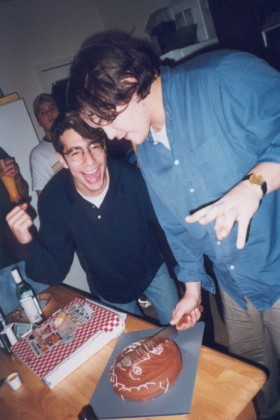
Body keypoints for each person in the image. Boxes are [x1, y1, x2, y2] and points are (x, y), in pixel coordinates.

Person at [65, 32, 280, 418]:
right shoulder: (144, 146)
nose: (110, 135)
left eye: (108, 120)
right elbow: (175, 225)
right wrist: (193, 290)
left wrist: (255, 183)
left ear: (131, 83)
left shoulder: (223, 77)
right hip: (234, 289)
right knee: (256, 384)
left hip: (277, 266)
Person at [6, 112, 179, 326]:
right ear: (63, 159)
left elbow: (167, 227)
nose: (90, 162)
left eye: (94, 146)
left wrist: (186, 274)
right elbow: (53, 272)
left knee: (182, 331)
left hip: (151, 268)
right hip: (108, 285)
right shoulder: (54, 200)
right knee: (133, 347)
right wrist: (26, 242)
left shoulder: (132, 179)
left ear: (104, 147)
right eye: (75, 152)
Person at [0, 147, 47, 315]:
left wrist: (17, 176)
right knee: (18, 331)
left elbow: (22, 193)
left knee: (55, 311)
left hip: (27, 251)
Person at [30, 93, 63, 196]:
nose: (49, 113)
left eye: (52, 108)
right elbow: (43, 198)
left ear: (59, 111)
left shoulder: (77, 135)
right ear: (39, 122)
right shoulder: (38, 155)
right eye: (42, 112)